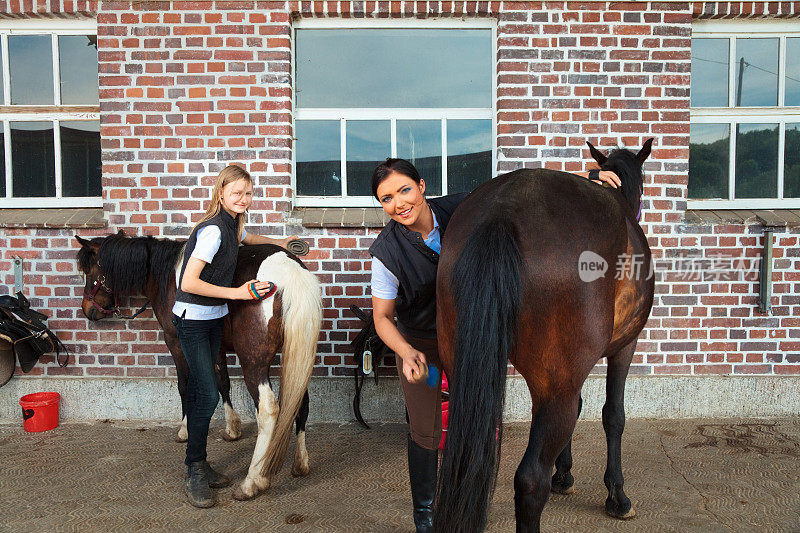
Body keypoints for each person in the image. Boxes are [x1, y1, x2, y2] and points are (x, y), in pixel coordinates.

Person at [368, 158, 620, 532]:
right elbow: (382, 318)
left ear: (421, 186)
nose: (398, 204)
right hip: (422, 345)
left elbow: (518, 187)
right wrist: (405, 352)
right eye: (386, 199)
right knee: (425, 429)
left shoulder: (463, 209)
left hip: (468, 337)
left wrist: (586, 177)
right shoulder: (386, 252)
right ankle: (425, 513)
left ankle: (472, 499)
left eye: (404, 190)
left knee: (477, 421)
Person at [172, 164, 300, 508]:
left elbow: (248, 239)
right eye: (236, 193)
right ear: (221, 193)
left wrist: (279, 242)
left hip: (213, 317)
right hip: (194, 319)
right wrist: (241, 294)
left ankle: (199, 462)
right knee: (208, 395)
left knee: (207, 390)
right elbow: (188, 283)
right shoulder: (213, 230)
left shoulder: (234, 223)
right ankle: (194, 468)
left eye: (248, 193)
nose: (244, 199)